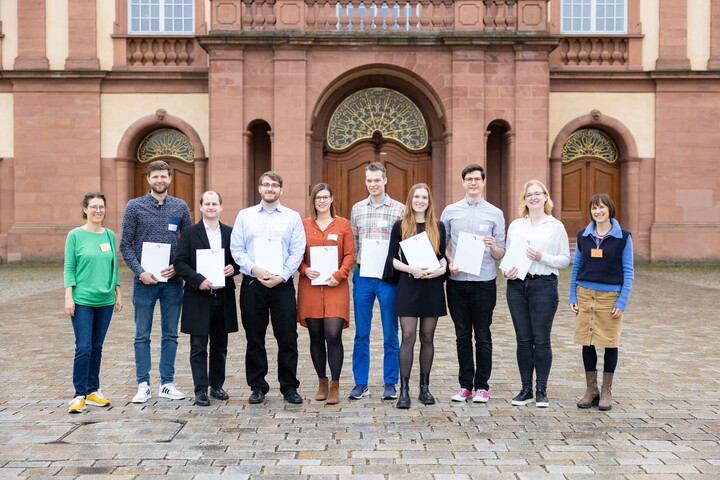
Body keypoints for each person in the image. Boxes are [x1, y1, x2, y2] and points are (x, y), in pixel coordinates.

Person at [230, 171, 306, 404]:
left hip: (282, 286)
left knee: (287, 337)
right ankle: (257, 386)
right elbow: (237, 248)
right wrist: (255, 269)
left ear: (281, 190)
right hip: (253, 284)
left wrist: (282, 276)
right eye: (266, 184)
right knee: (255, 338)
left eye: (274, 185)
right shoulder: (245, 216)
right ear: (259, 188)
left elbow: (297, 251)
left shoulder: (293, 217)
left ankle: (289, 386)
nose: (270, 189)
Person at [120, 160, 192, 403]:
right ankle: (143, 384)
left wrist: (179, 268)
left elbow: (188, 244)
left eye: (164, 176)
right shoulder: (134, 207)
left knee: (170, 334)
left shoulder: (180, 207)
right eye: (155, 177)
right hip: (145, 282)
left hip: (172, 282)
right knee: (142, 334)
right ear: (148, 179)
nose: (160, 180)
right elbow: (125, 245)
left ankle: (167, 383)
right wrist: (140, 272)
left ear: (170, 179)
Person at [441, 164, 505, 403]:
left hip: (483, 282)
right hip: (457, 282)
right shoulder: (450, 211)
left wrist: (493, 247)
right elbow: (442, 246)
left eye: (477, 179)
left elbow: (501, 253)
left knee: (483, 335)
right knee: (461, 335)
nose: (473, 183)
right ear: (463, 182)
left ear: (483, 182)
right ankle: (465, 386)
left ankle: (482, 386)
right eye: (469, 179)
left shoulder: (495, 213)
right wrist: (450, 262)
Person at [502, 180, 570, 408]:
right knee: (523, 339)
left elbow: (564, 259)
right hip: (517, 286)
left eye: (537, 194)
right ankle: (525, 389)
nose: (533, 198)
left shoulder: (555, 226)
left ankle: (541, 389)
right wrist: (506, 273)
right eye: (529, 194)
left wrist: (543, 257)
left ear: (545, 197)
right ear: (524, 199)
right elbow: (507, 259)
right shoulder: (516, 225)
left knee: (541, 339)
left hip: (543, 285)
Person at [174, 191, 240, 407]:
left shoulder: (231, 233)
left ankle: (216, 385)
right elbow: (180, 263)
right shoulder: (190, 234)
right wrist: (198, 280)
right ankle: (200, 389)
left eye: (215, 204)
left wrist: (235, 268)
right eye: (207, 204)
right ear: (201, 207)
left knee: (220, 345)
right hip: (198, 296)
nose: (211, 207)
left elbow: (239, 259)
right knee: (198, 346)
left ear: (221, 207)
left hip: (223, 295)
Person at [384, 183, 447, 409]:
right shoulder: (400, 226)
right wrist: (411, 269)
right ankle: (404, 390)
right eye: (416, 197)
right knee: (408, 336)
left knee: (428, 337)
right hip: (409, 285)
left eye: (424, 197)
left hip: (431, 286)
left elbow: (441, 256)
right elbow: (391, 259)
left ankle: (424, 388)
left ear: (429, 201)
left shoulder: (438, 226)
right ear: (411, 199)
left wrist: (441, 270)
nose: (420, 200)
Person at [569, 193, 634, 411]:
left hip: (610, 298)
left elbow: (628, 271)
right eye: (594, 208)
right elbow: (576, 268)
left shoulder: (623, 237)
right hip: (585, 295)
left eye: (602, 208)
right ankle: (591, 390)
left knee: (610, 342)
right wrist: (572, 296)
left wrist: (622, 301)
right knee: (586, 341)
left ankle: (606, 390)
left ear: (610, 210)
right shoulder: (583, 236)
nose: (598, 212)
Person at [349, 162, 405, 400]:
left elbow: (404, 244)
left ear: (385, 180)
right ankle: (361, 383)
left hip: (388, 278)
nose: (373, 184)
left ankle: (390, 382)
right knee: (361, 332)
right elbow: (354, 243)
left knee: (390, 332)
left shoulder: (400, 210)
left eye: (376, 180)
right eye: (369, 180)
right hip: (363, 276)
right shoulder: (357, 209)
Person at [64, 192, 123, 413]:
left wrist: (118, 292)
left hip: (105, 299)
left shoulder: (109, 235)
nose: (98, 210)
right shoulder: (75, 236)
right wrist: (68, 296)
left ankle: (92, 391)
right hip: (82, 300)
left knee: (97, 347)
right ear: (85, 209)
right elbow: (69, 267)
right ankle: (79, 394)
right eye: (94, 206)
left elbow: (113, 267)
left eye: (101, 206)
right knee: (84, 347)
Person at [297, 183, 354, 405]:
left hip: (335, 287)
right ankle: (322, 380)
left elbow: (349, 254)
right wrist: (304, 269)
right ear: (313, 201)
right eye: (317, 198)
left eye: (325, 197)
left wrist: (339, 275)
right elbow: (296, 254)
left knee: (333, 334)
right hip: (310, 287)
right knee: (315, 335)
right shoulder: (303, 225)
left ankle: (335, 385)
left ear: (331, 199)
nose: (321, 201)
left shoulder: (343, 225)